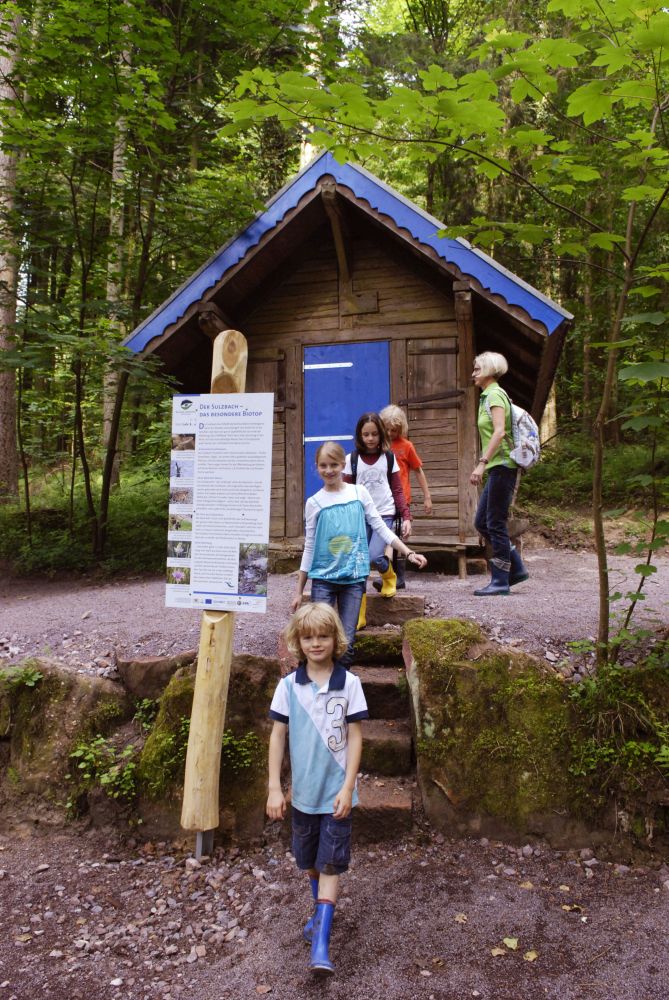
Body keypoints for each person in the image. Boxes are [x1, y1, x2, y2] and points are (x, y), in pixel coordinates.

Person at [267, 602, 368, 974]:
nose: (315, 643)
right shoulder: (288, 686)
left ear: (335, 639)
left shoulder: (351, 684)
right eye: (308, 637)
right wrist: (275, 787)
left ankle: (321, 945)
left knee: (330, 862)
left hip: (336, 794)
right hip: (303, 795)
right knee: (308, 860)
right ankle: (317, 916)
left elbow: (356, 739)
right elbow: (278, 736)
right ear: (297, 641)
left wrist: (348, 786)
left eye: (323, 636)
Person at [291, 441, 427, 660]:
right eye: (323, 465)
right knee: (319, 638)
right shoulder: (314, 502)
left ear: (343, 465)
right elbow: (309, 547)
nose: (329, 470)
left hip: (354, 580)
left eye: (334, 464)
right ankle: (318, 689)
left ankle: (340, 691)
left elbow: (381, 527)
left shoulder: (359, 493)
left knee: (346, 644)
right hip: (323, 579)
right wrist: (299, 591)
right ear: (316, 466)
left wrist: (409, 552)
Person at [470, 351, 529, 596]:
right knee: (481, 522)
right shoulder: (487, 396)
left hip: (503, 465)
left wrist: (482, 462)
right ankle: (515, 569)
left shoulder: (494, 394)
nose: (473, 373)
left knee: (494, 522)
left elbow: (499, 432)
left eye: (476, 369)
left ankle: (500, 581)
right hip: (497, 466)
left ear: (489, 370)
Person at [343, 412, 411, 601]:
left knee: (373, 556)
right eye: (366, 434)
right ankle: (359, 608)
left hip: (384, 514)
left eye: (374, 434)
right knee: (361, 560)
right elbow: (345, 491)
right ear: (360, 435)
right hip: (360, 516)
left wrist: (406, 516)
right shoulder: (352, 459)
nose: (370, 438)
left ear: (381, 434)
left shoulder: (388, 458)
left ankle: (389, 576)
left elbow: (397, 490)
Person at [376, 404, 433, 591]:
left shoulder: (407, 446)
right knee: (384, 538)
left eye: (395, 430)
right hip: (382, 500)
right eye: (388, 429)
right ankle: (388, 576)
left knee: (397, 536)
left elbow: (418, 471)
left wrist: (427, 497)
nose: (391, 433)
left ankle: (398, 578)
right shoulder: (378, 446)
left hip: (402, 500)